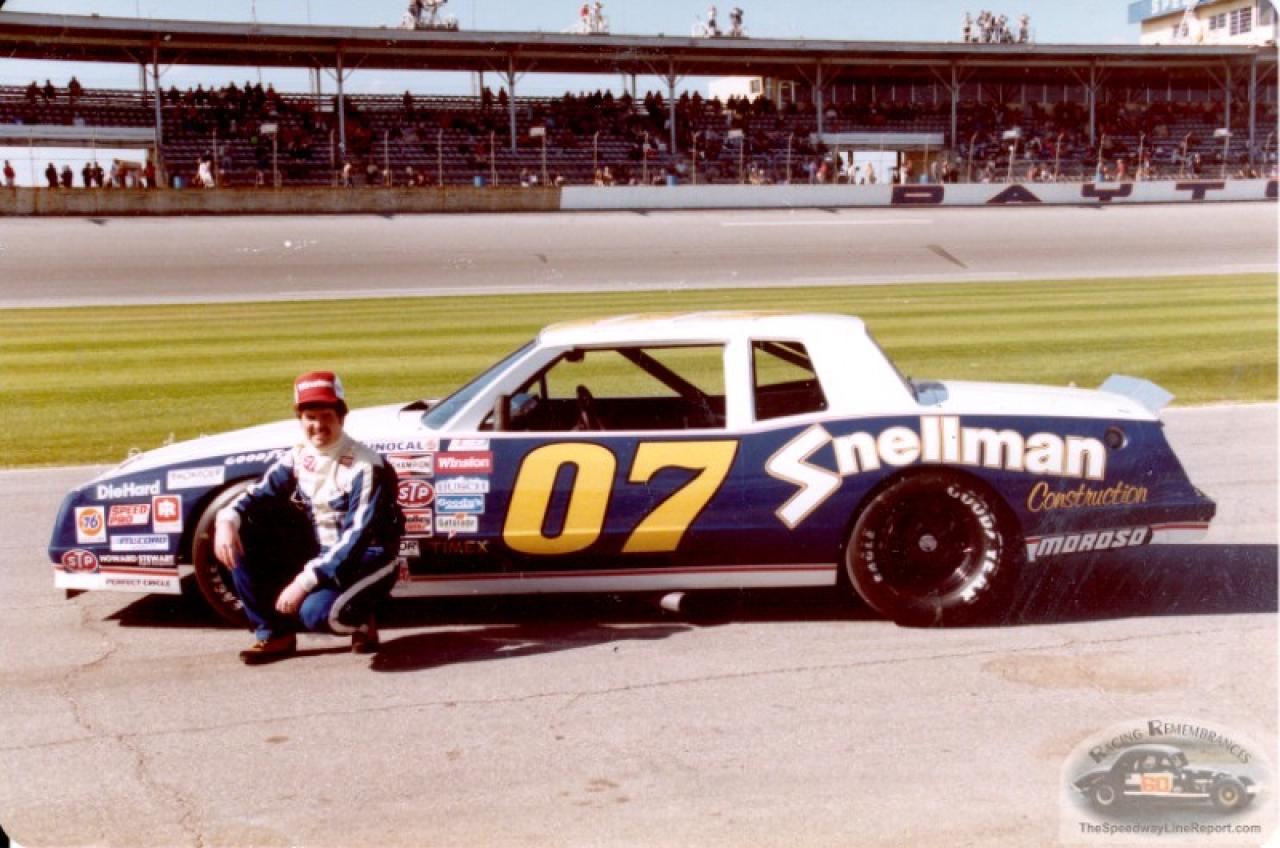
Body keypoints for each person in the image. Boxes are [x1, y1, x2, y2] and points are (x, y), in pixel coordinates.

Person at [214, 372, 404, 664]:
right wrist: (226, 520)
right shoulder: (299, 455)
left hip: (365, 558)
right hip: (321, 553)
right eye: (310, 417)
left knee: (315, 615)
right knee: (242, 535)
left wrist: (302, 583)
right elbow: (256, 494)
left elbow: (356, 538)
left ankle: (363, 618)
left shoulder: (366, 466)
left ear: (342, 417)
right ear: (300, 420)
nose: (318, 425)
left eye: (326, 416)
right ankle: (274, 635)